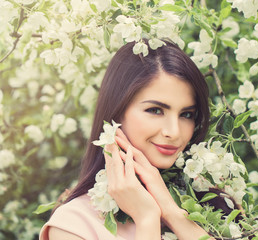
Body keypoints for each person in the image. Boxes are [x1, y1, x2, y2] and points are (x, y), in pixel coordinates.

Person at [39, 39, 212, 240]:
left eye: (187, 114)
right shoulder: (73, 225)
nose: (174, 132)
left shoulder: (207, 197)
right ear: (116, 113)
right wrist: (147, 219)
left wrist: (171, 212)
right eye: (155, 110)